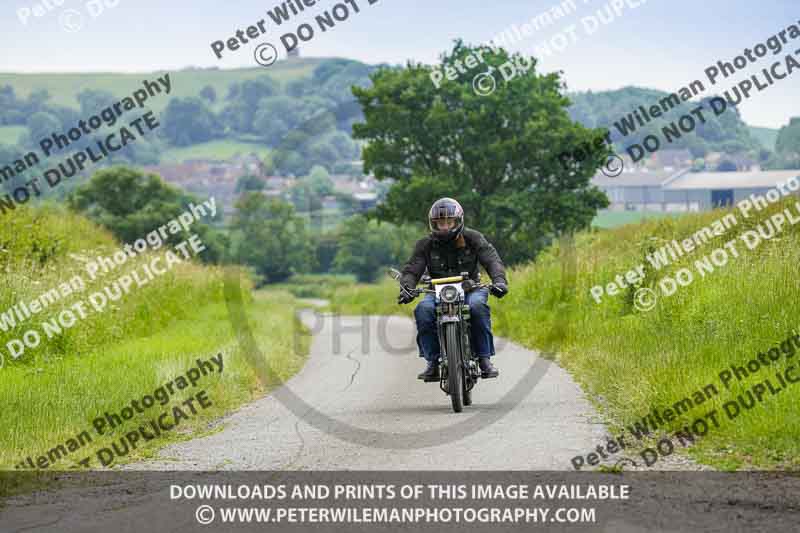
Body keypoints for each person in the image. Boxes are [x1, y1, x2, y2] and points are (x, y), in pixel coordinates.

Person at [397, 197, 509, 382]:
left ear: (458, 221)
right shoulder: (425, 244)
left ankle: (484, 359)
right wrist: (406, 288)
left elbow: (492, 259)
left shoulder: (473, 238)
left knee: (477, 308)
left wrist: (500, 281)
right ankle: (432, 362)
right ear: (433, 224)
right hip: (437, 290)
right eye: (440, 223)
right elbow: (412, 269)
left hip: (471, 287)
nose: (445, 226)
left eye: (449, 222)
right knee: (423, 311)